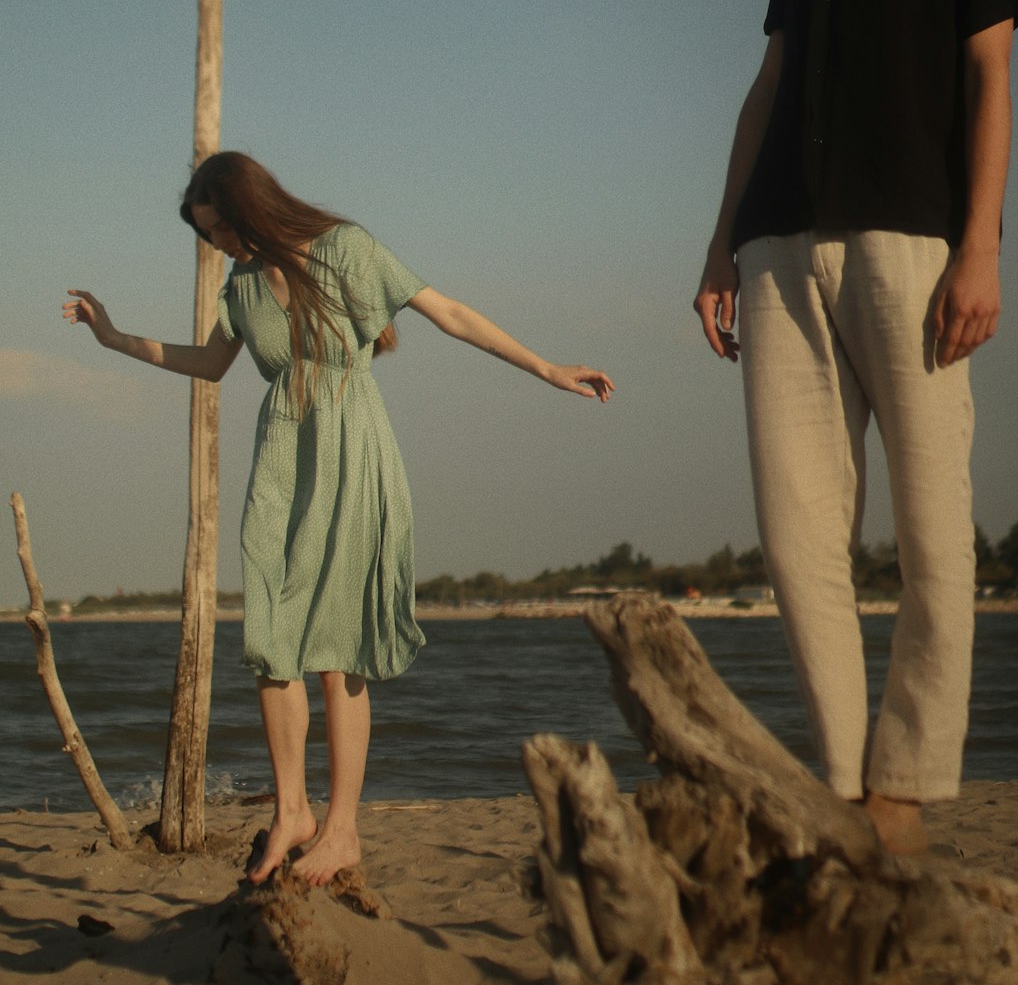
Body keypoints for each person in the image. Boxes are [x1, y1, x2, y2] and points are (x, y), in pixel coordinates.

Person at [693, 0, 1018, 855]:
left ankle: (908, 788)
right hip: (781, 248)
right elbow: (771, 85)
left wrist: (982, 247)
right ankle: (844, 785)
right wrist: (719, 243)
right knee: (800, 537)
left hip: (915, 249)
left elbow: (993, 77)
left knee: (937, 532)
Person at [64, 151, 613, 885]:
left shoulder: (345, 249)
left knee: (336, 650)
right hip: (281, 457)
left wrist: (547, 368)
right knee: (271, 636)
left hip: (352, 448)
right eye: (208, 235)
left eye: (222, 227)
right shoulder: (243, 283)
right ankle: (293, 809)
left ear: (249, 208)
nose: (219, 243)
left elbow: (446, 311)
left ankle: (343, 828)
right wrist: (112, 337)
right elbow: (207, 362)